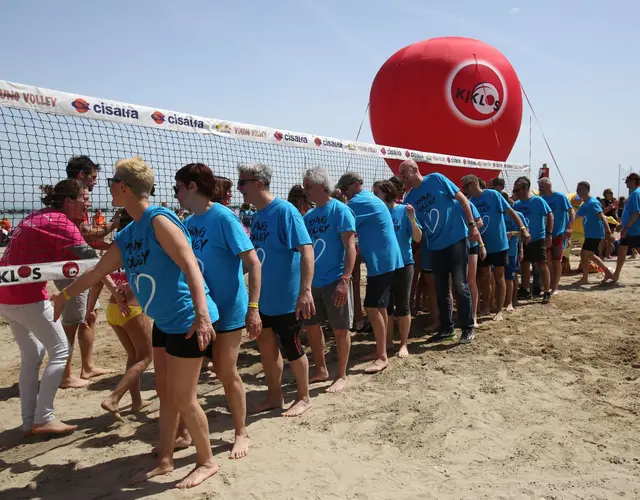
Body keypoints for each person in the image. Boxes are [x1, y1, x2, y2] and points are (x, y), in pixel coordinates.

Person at [50, 156, 220, 489]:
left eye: (112, 182)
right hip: (166, 321)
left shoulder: (159, 220)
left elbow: (191, 267)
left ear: (124, 187)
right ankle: (167, 458)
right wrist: (64, 296)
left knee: (184, 397)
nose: (107, 187)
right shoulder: (128, 233)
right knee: (167, 394)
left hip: (188, 317)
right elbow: (97, 272)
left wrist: (202, 315)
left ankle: (207, 461)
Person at [0, 180, 113, 437]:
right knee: (60, 351)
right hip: (26, 297)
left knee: (32, 355)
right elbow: (92, 263)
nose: (89, 201)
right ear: (69, 201)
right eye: (85, 196)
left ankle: (30, 421)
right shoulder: (61, 222)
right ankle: (44, 418)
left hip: (5, 295)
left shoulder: (38, 215)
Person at [175, 162, 262, 458]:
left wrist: (253, 308)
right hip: (201, 312)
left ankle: (241, 432)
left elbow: (253, 263)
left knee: (227, 372)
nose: (175, 194)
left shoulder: (224, 218)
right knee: (189, 376)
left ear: (192, 187)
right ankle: (185, 431)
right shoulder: (187, 223)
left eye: (178, 188)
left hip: (228, 310)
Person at [238, 163, 315, 417]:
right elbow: (255, 257)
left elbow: (307, 249)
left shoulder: (285, 211)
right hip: (264, 298)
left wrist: (305, 291)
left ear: (259, 184)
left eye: (243, 183)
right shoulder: (258, 215)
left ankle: (304, 397)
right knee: (266, 347)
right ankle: (274, 396)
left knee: (292, 347)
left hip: (287, 297)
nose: (240, 188)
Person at [399, 160, 479, 344]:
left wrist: (472, 226)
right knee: (440, 289)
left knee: (460, 284)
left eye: (404, 172)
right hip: (434, 247)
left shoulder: (436, 179)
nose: (401, 176)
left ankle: (467, 327)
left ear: (414, 170)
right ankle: (447, 328)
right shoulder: (409, 200)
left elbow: (463, 200)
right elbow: (416, 233)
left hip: (456, 239)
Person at [88, 209, 153, 421]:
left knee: (134, 357)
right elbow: (144, 276)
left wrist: (89, 309)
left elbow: (98, 276)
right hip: (131, 308)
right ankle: (114, 398)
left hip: (113, 309)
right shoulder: (140, 246)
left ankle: (136, 401)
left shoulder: (117, 246)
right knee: (146, 356)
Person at [57, 155, 116, 387]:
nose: (95, 182)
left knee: (89, 316)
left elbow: (86, 240)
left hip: (83, 266)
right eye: (93, 177)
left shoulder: (78, 197)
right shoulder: (74, 199)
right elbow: (88, 235)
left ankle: (87, 367)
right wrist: (113, 225)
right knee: (73, 322)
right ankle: (65, 376)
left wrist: (114, 247)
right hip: (70, 270)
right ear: (82, 175)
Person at [336, 172, 403, 372]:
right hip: (384, 260)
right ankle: (382, 349)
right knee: (380, 308)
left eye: (345, 189)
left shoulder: (360, 201)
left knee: (372, 308)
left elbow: (339, 218)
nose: (344, 193)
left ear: (355, 185)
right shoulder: (367, 199)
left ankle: (382, 356)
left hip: (382, 261)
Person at [302, 167, 357, 392]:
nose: (305, 191)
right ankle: (321, 369)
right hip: (313, 283)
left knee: (341, 329)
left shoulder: (341, 211)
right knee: (312, 327)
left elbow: (350, 248)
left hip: (335, 280)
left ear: (320, 186)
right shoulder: (308, 216)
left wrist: (345, 280)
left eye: (308, 186)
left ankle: (341, 374)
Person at [462, 175, 529, 321]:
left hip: (499, 244)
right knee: (485, 277)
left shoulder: (493, 195)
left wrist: (523, 228)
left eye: (465, 187)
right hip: (483, 246)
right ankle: (486, 306)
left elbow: (510, 212)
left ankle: (499, 310)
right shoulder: (471, 202)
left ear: (473, 184)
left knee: (500, 277)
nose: (464, 191)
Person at [373, 180, 422, 358]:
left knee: (403, 305)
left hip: (404, 263)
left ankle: (403, 344)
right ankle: (387, 343)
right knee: (385, 306)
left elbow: (417, 238)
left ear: (386, 193)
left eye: (376, 193)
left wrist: (412, 219)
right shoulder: (377, 212)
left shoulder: (403, 210)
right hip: (384, 265)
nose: (373, 196)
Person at [512, 177, 554, 304]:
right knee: (524, 264)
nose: (515, 192)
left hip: (538, 238)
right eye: (514, 190)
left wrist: (549, 234)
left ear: (525, 188)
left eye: (517, 189)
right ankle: (526, 289)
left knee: (542, 264)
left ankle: (546, 291)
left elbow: (550, 215)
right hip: (523, 239)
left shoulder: (538, 201)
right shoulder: (517, 204)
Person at [538, 177, 574, 294]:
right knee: (547, 261)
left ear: (547, 185)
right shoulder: (542, 199)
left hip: (559, 232)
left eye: (541, 185)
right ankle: (550, 283)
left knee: (556, 260)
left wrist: (569, 227)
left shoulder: (560, 197)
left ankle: (555, 286)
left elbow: (571, 211)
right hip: (546, 234)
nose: (540, 187)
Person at [574, 181, 614, 284]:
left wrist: (608, 232)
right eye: (577, 189)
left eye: (580, 189)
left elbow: (602, 217)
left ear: (586, 190)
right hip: (589, 234)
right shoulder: (584, 204)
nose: (578, 191)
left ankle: (585, 278)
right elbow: (575, 217)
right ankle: (607, 272)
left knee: (584, 255)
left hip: (595, 233)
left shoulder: (593, 202)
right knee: (590, 255)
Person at [608, 174, 640, 283]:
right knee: (622, 250)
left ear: (634, 181)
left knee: (632, 249)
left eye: (627, 180)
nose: (626, 182)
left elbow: (636, 213)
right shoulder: (632, 194)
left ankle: (616, 274)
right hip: (629, 229)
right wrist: (622, 225)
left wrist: (626, 227)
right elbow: (629, 212)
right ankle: (616, 274)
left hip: (634, 230)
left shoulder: (636, 193)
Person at [501, 192, 526, 311]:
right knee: (498, 277)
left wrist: (512, 233)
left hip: (511, 251)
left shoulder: (517, 215)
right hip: (499, 250)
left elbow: (525, 233)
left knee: (511, 277)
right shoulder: (498, 214)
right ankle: (501, 300)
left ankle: (511, 301)